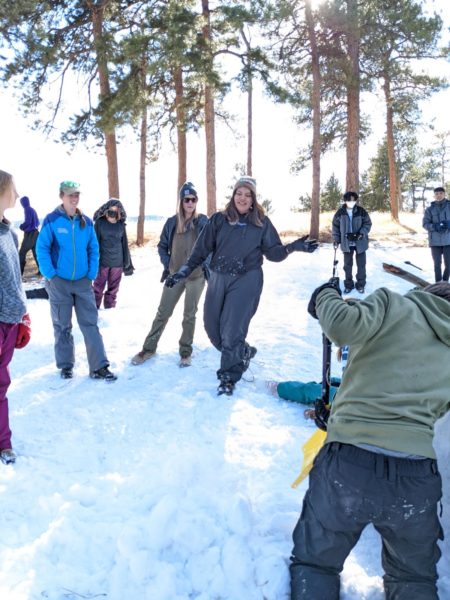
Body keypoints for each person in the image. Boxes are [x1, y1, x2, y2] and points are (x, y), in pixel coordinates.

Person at [289, 277, 450, 600]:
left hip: (350, 463)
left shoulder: (395, 304)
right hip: (416, 478)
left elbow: (342, 325)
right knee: (413, 578)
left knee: (316, 564)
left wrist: (324, 294)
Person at [165, 176, 319, 395]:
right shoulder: (218, 220)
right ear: (233, 195)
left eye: (248, 195)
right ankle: (241, 352)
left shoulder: (261, 223)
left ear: (254, 199)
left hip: (247, 278)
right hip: (218, 277)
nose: (243, 198)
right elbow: (199, 252)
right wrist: (182, 272)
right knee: (212, 328)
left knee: (232, 331)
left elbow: (273, 253)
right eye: (239, 193)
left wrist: (294, 246)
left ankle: (228, 376)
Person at [36, 180, 117, 381]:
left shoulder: (86, 222)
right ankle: (66, 366)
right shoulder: (51, 220)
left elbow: (93, 248)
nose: (74, 198)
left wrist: (91, 273)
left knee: (90, 323)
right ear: (61, 196)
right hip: (59, 283)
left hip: (82, 282)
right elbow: (42, 248)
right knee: (62, 325)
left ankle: (99, 366)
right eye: (70, 194)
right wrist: (50, 275)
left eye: (77, 194)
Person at [131, 181, 209, 368]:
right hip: (174, 276)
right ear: (181, 201)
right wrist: (169, 265)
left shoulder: (202, 221)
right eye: (186, 199)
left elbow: (209, 247)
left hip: (196, 277)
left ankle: (185, 352)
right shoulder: (172, 222)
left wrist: (206, 267)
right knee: (163, 312)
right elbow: (162, 247)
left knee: (189, 315)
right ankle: (148, 348)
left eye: (193, 199)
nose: (190, 203)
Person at [0, 170, 32, 465]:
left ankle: (3, 442)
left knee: (1, 383)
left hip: (10, 320)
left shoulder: (10, 231)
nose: (17, 193)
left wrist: (23, 315)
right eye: (13, 188)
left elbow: (15, 277)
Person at [92, 198, 133, 309]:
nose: (113, 212)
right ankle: (93, 311)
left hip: (117, 263)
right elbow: (94, 244)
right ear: (106, 209)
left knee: (113, 290)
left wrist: (127, 263)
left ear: (119, 211)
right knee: (97, 288)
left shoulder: (121, 225)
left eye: (116, 210)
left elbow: (124, 244)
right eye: (111, 209)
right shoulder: (100, 223)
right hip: (102, 263)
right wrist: (93, 261)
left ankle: (110, 310)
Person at [332, 191, 372, 293]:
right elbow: (335, 227)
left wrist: (361, 233)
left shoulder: (361, 211)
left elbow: (368, 223)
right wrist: (336, 240)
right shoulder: (340, 212)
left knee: (361, 265)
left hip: (360, 243)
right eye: (349, 200)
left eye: (354, 200)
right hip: (346, 244)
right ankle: (349, 285)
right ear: (345, 201)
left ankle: (360, 284)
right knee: (347, 266)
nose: (352, 202)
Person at [422, 186, 450, 282]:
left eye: (441, 193)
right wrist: (435, 226)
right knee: (437, 265)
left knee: (449, 264)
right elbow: (425, 224)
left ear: (444, 194)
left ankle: (445, 282)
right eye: (436, 194)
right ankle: (438, 283)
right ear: (434, 196)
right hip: (435, 241)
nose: (439, 195)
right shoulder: (429, 209)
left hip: (448, 240)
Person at [18, 195, 40, 276]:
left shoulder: (27, 209)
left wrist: (21, 226)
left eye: (22, 202)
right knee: (36, 253)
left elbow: (27, 222)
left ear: (24, 202)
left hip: (30, 235)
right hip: (36, 234)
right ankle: (42, 271)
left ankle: (19, 273)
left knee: (21, 253)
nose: (22, 204)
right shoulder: (33, 210)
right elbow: (38, 222)